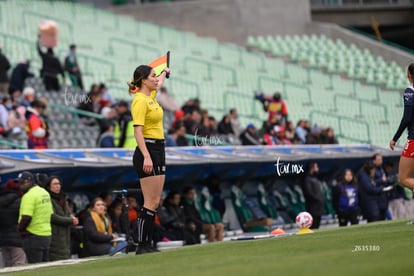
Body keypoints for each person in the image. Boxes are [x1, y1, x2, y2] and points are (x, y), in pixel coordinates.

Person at [128, 64, 171, 254]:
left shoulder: (150, 97)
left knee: (154, 201)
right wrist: (146, 156)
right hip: (148, 150)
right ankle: (142, 244)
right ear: (144, 80)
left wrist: (164, 73)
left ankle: (147, 243)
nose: (156, 79)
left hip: (159, 148)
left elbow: (159, 83)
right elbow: (137, 131)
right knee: (149, 201)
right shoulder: (139, 101)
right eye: (152, 76)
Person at [16, 171, 53, 264]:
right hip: (46, 234)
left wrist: (20, 230)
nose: (19, 186)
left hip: (33, 235)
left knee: (35, 268)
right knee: (45, 267)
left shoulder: (28, 196)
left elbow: (26, 217)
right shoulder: (44, 192)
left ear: (29, 181)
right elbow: (50, 213)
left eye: (22, 183)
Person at [390, 63, 414, 191]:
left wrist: (395, 138)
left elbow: (407, 118)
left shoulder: (410, 92)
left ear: (409, 74)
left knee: (403, 178)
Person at [45, 176, 79, 261]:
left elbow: (67, 213)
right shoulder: (47, 199)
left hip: (66, 236)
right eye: (55, 184)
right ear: (49, 186)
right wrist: (70, 220)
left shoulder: (63, 198)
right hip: (54, 236)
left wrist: (72, 217)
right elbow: (52, 217)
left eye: (59, 184)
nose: (58, 186)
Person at [0, 179, 27, 267]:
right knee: (19, 265)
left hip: (3, 240)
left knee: (8, 267)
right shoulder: (21, 201)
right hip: (17, 239)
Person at [301, 162, 325, 229]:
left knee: (317, 226)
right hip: (313, 208)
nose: (318, 169)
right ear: (312, 168)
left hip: (319, 207)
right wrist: (318, 199)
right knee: (313, 226)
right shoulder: (307, 179)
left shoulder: (315, 178)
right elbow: (309, 193)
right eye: (316, 167)